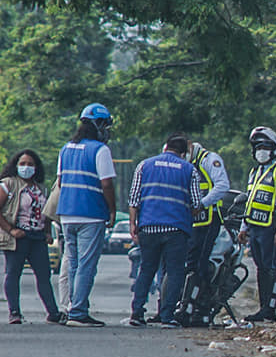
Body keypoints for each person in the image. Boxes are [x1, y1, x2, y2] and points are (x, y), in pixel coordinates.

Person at [127, 134, 203, 327]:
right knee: (175, 272)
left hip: (148, 227)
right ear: (183, 153)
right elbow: (196, 203)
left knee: (146, 269)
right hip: (176, 229)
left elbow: (134, 199)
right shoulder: (189, 169)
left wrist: (133, 224)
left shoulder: (144, 165)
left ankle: (137, 313)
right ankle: (167, 315)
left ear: (165, 147)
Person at [56, 102, 117, 327]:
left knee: (73, 262)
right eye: (105, 125)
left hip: (67, 214)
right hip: (90, 213)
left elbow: (61, 182)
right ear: (98, 124)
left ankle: (73, 306)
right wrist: (112, 210)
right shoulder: (100, 150)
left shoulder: (66, 148)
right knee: (86, 264)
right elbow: (107, 185)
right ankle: (79, 312)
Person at [238, 127, 276, 323]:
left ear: (274, 150)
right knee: (260, 267)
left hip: (271, 228)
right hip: (254, 227)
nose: (261, 151)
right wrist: (243, 228)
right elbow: (250, 201)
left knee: (272, 267)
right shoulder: (254, 173)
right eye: (257, 147)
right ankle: (263, 307)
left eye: (265, 147)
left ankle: (271, 308)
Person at [0, 150, 61, 324]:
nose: (26, 167)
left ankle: (53, 313)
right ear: (16, 165)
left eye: (30, 164)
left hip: (38, 237)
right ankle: (14, 313)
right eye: (23, 164)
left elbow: (46, 212)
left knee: (43, 275)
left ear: (36, 167)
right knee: (13, 273)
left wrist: (48, 231)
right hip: (18, 236)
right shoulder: (8, 184)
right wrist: (11, 230)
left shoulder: (40, 188)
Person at [174, 139, 231, 326]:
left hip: (209, 220)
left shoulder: (209, 159)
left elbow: (222, 186)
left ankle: (196, 307)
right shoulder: (189, 166)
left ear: (190, 148)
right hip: (193, 221)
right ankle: (187, 306)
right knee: (191, 263)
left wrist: (202, 204)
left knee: (199, 263)